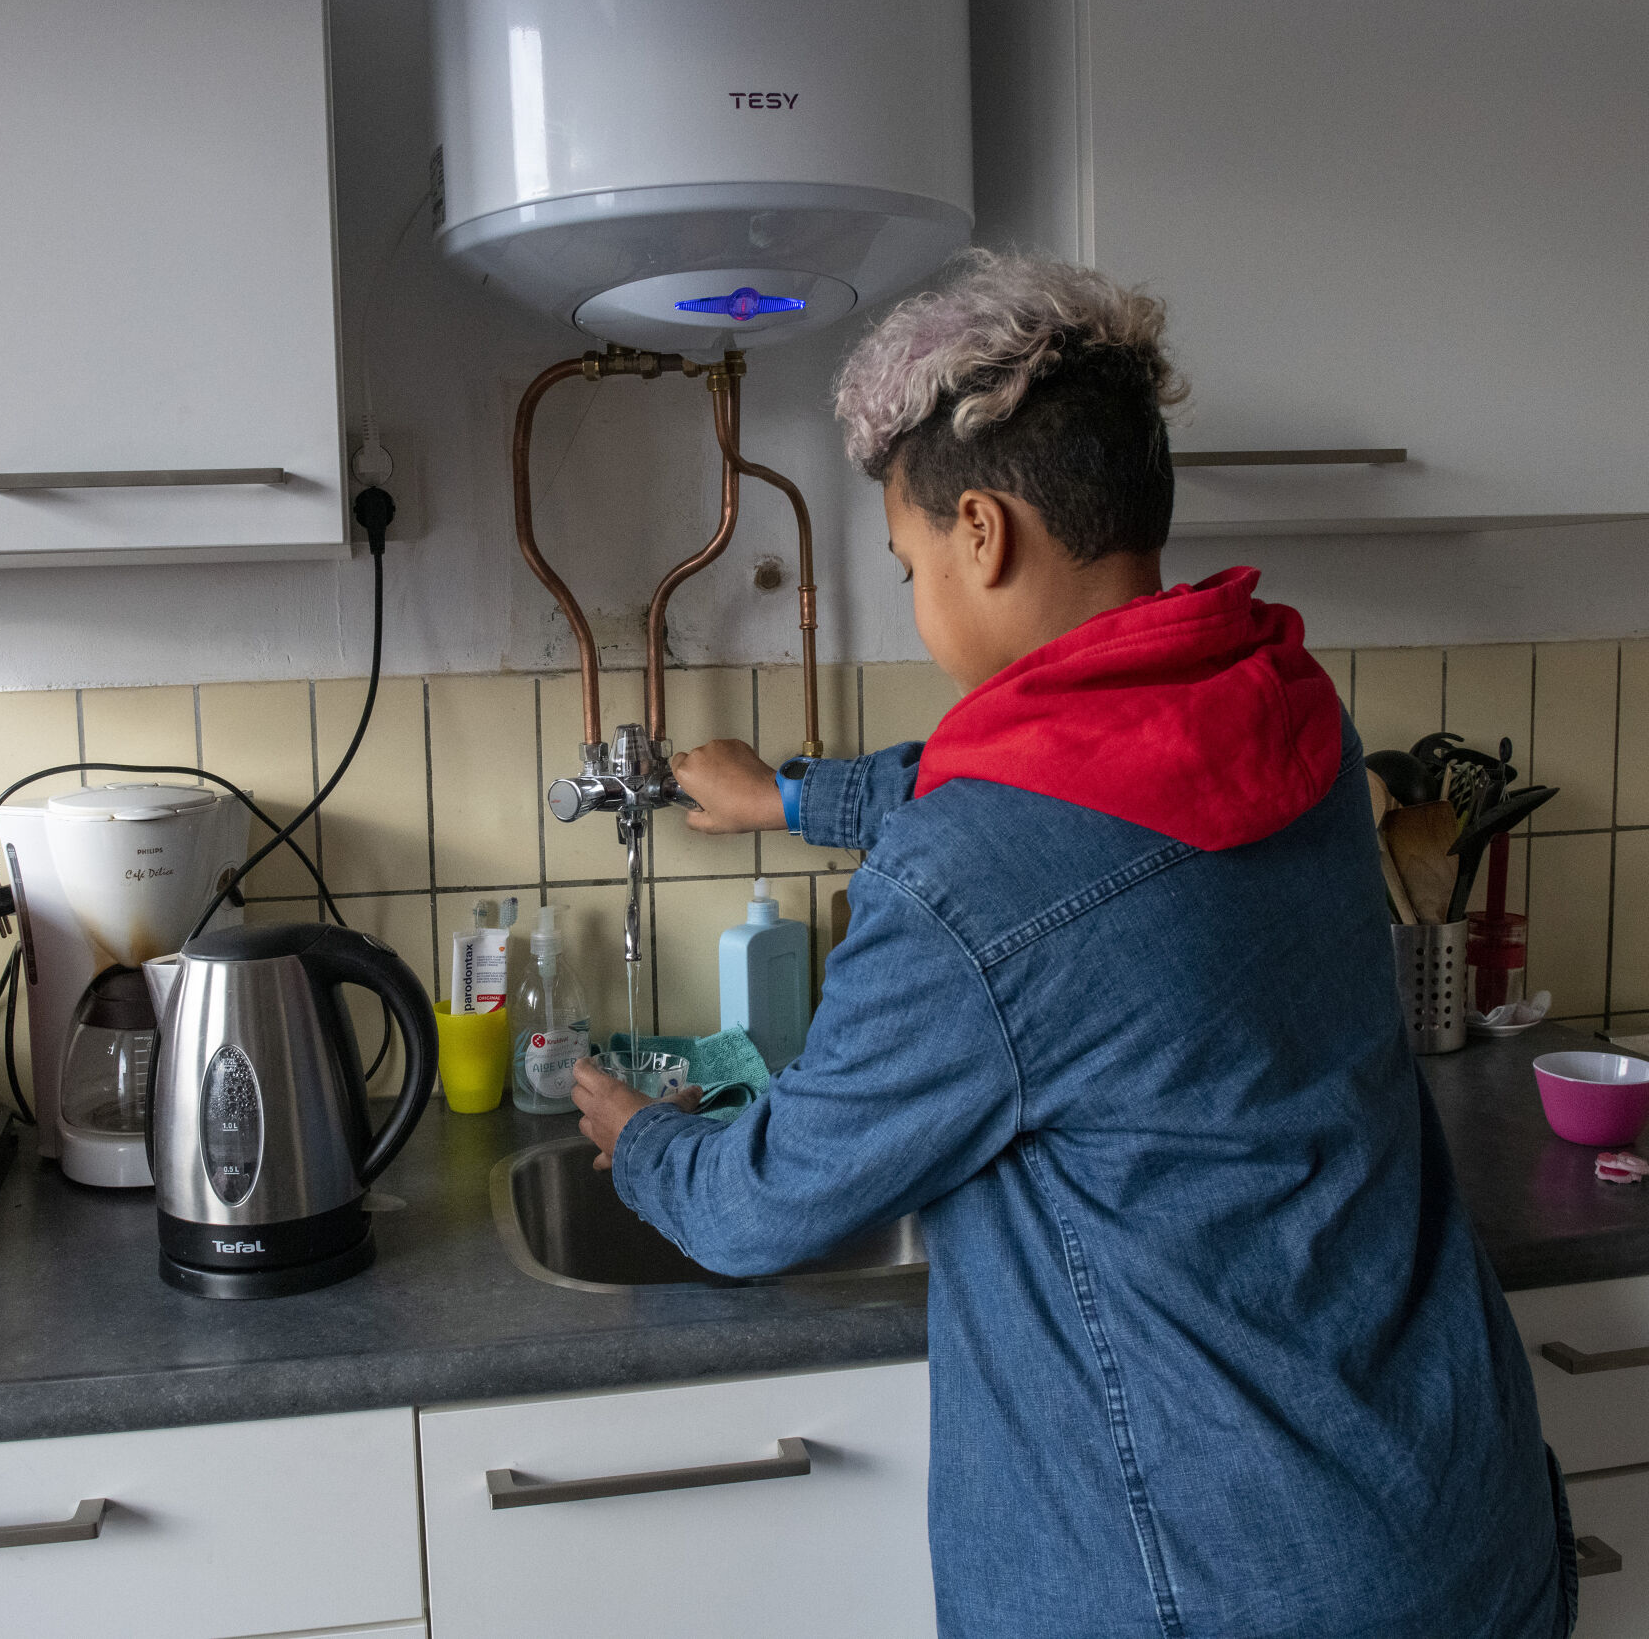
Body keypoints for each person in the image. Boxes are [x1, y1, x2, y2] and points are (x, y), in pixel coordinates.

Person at [569, 250, 1574, 1639]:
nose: (921, 603)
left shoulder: (961, 889)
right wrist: (794, 795)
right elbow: (1079, 792)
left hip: (1215, 1588)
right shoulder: (1284, 714)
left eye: (911, 564)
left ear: (981, 533)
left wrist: (644, 1142)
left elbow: (772, 1207)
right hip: (1455, 1522)